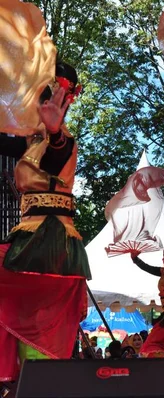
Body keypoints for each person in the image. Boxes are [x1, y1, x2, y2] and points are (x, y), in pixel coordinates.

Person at [0, 62, 90, 382]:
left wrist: (53, 131)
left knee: (38, 326)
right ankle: (24, 383)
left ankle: (37, 384)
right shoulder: (29, 141)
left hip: (50, 241)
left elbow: (57, 156)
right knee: (27, 321)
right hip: (29, 240)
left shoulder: (60, 140)